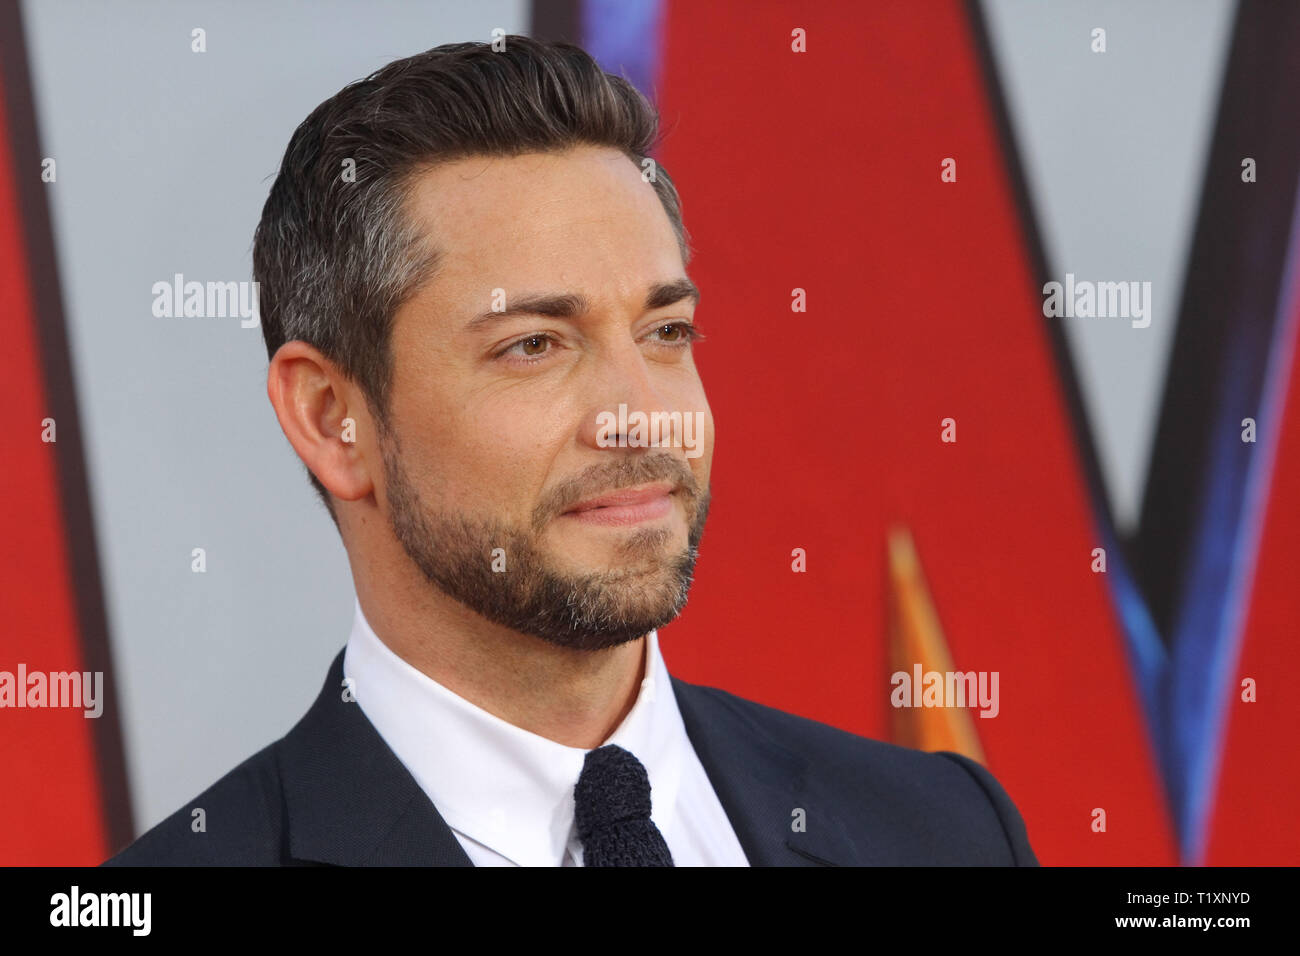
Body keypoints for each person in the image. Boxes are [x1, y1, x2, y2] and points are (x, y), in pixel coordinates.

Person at [105, 36, 1037, 867]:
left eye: (666, 332)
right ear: (329, 418)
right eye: (534, 347)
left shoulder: (946, 830)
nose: (642, 417)